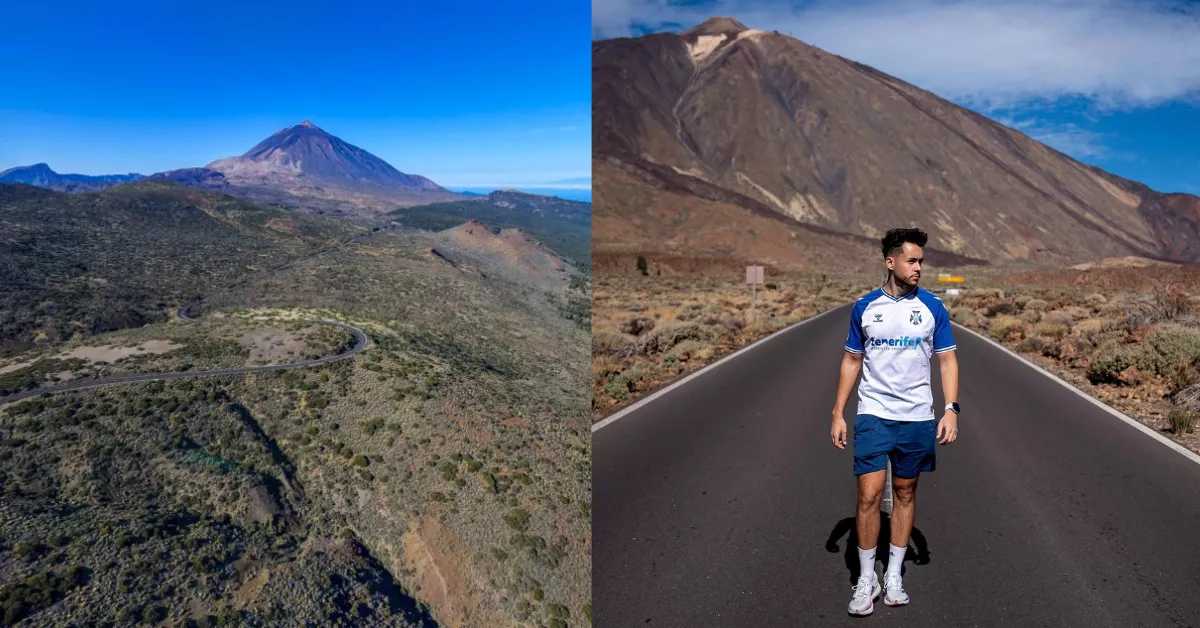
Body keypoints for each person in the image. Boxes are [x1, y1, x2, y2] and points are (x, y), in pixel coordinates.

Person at [829, 227, 960, 616]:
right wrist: (838, 411)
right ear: (890, 262)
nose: (919, 267)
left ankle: (895, 575)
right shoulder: (865, 307)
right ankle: (866, 578)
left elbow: (948, 358)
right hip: (874, 413)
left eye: (921, 260)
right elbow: (852, 360)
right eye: (912, 260)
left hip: (917, 416)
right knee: (869, 495)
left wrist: (951, 407)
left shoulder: (933, 307)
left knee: (904, 493)